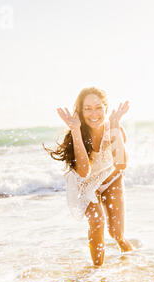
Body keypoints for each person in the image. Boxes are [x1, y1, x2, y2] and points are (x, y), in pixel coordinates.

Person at [44, 87, 133, 267]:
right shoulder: (76, 134)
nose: (94, 113)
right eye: (88, 108)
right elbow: (84, 172)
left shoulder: (115, 128)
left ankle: (132, 263)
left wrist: (115, 125)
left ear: (106, 109)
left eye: (98, 107)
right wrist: (75, 130)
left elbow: (121, 164)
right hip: (85, 185)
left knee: (117, 233)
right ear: (80, 111)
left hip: (111, 179)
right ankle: (97, 273)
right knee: (97, 220)